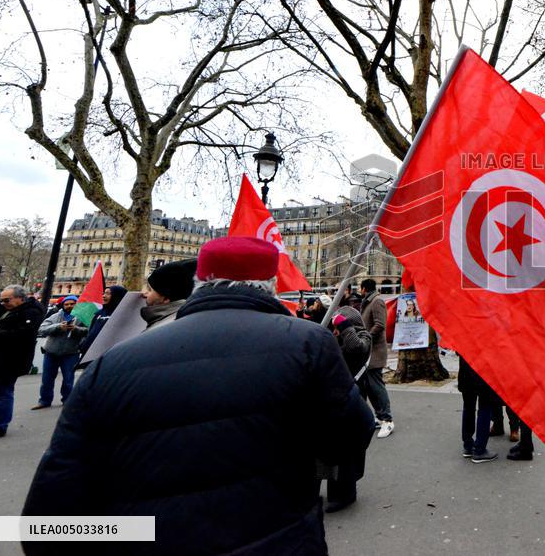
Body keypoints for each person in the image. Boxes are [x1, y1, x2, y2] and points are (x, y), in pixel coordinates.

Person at [22, 237, 374, 554]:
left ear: (200, 281)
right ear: (270, 283)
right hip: (276, 537)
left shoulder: (113, 361)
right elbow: (349, 439)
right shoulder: (308, 344)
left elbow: (49, 509)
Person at [321, 307, 373, 512]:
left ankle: (345, 493)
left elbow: (357, 350)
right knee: (327, 448)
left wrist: (345, 327)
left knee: (347, 449)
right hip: (329, 400)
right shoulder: (335, 338)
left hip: (352, 400)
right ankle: (325, 488)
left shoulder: (363, 336)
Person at [0, 285, 44, 439]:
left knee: (3, 393)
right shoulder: (11, 311)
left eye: (6, 300)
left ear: (20, 298)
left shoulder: (30, 313)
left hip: (10, 360)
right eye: (1, 300)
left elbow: (22, 336)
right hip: (0, 358)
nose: (3, 303)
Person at [32, 295, 87, 410]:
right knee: (47, 379)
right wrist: (57, 327)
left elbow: (88, 330)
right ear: (63, 305)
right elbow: (41, 329)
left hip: (71, 353)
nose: (69, 306)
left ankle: (67, 401)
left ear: (76, 304)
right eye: (67, 304)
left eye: (72, 304)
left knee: (68, 380)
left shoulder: (82, 317)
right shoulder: (55, 316)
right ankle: (44, 401)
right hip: (51, 352)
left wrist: (76, 329)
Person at [359, 278, 394, 438]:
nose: (359, 291)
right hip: (368, 351)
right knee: (369, 386)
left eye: (360, 288)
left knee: (376, 386)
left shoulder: (376, 302)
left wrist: (365, 336)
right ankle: (379, 417)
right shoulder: (368, 302)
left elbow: (380, 324)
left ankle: (387, 420)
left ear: (365, 289)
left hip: (375, 352)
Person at [457, 355, 499, 463]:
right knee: (485, 407)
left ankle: (468, 446)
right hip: (484, 370)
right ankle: (479, 450)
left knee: (468, 407)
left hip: (465, 370)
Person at [140, 259, 196, 330]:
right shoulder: (184, 323)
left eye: (149, 290)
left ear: (165, 298)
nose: (144, 293)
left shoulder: (161, 329)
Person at [80, 285, 128, 358]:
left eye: (108, 294)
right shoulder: (98, 313)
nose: (104, 296)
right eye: (104, 293)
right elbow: (91, 332)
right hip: (90, 355)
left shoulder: (123, 314)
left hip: (111, 355)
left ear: (117, 296)